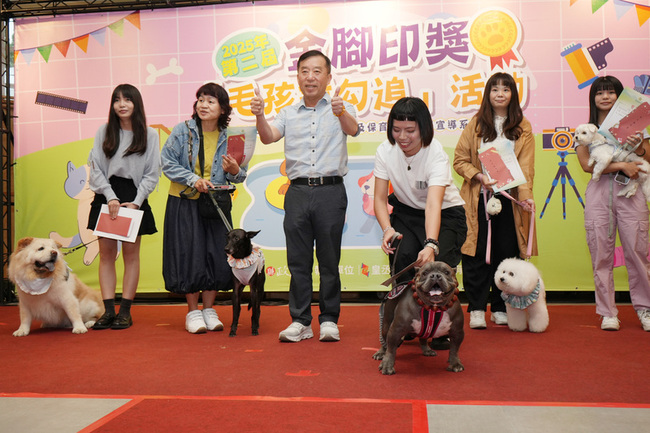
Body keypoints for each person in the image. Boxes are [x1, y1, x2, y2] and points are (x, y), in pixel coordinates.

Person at [250, 50, 359, 342]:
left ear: (328, 77)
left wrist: (340, 112)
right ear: (298, 76)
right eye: (305, 71)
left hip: (330, 191)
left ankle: (329, 320)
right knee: (298, 261)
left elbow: (354, 130)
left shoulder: (341, 106)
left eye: (317, 71)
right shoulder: (288, 112)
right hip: (297, 191)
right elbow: (268, 136)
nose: (310, 77)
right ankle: (300, 321)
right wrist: (259, 115)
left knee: (329, 260)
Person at [453, 72, 537, 330]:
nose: (500, 94)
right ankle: (477, 308)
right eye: (495, 89)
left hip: (510, 200)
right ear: (487, 94)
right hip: (479, 197)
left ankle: (501, 307)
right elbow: (460, 160)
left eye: (506, 89)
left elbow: (526, 168)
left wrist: (526, 197)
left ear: (513, 94)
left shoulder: (523, 127)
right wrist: (479, 176)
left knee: (506, 252)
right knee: (476, 253)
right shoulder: (476, 124)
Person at [161, 82, 246, 334]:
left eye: (210, 101)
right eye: (200, 100)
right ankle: (193, 311)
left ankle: (209, 309)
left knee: (215, 254)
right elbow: (167, 162)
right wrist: (192, 179)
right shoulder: (183, 131)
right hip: (185, 201)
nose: (203, 105)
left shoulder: (232, 136)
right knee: (189, 254)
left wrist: (235, 170)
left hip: (216, 203)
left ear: (223, 109)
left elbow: (240, 176)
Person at [574, 75, 650, 332]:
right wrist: (621, 166)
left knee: (637, 253)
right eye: (599, 92)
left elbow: (647, 156)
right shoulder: (585, 130)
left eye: (610, 92)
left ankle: (645, 309)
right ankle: (607, 312)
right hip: (598, 194)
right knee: (601, 256)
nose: (605, 97)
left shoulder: (636, 124)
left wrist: (638, 148)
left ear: (620, 96)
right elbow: (586, 166)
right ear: (593, 98)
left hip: (631, 193)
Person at [87, 83, 161, 330]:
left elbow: (152, 173)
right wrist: (110, 197)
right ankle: (108, 311)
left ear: (136, 103)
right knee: (106, 256)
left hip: (133, 196)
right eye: (117, 100)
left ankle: (125, 312)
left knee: (131, 256)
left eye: (127, 99)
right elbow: (96, 168)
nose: (122, 104)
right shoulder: (104, 131)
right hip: (107, 194)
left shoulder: (150, 135)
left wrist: (137, 202)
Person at [374, 96, 467, 281]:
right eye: (396, 130)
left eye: (410, 131)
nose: (402, 137)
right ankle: (401, 299)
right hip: (407, 213)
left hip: (445, 213)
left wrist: (431, 244)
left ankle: (441, 301)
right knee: (402, 255)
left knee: (438, 266)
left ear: (423, 129)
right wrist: (387, 229)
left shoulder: (435, 153)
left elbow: (433, 204)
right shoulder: (385, 151)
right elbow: (379, 198)